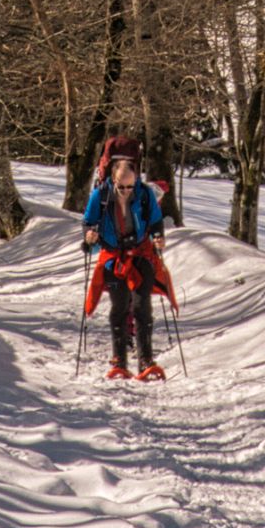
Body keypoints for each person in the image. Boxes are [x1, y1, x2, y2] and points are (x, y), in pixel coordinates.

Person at [83, 152, 167, 380]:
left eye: (131, 187)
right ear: (113, 180)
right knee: (119, 306)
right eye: (122, 188)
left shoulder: (145, 194)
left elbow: (156, 221)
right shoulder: (100, 196)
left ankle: (145, 360)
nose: (127, 192)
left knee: (142, 306)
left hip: (141, 253)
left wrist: (158, 237)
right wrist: (89, 236)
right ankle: (119, 359)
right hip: (113, 256)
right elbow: (89, 222)